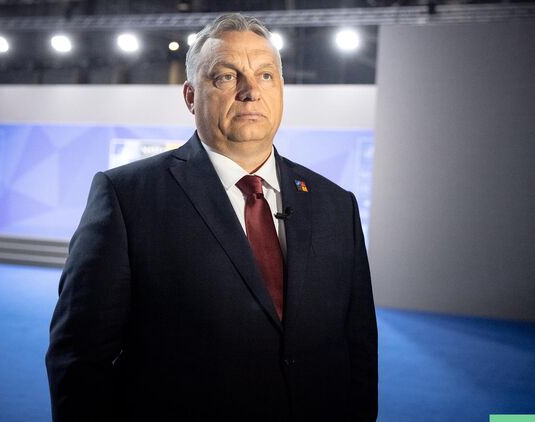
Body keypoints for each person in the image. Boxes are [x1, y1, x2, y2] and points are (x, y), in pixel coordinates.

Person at [46, 13, 377, 421]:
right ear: (190, 97)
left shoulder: (337, 205)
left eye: (266, 75)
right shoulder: (126, 197)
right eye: (226, 76)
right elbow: (80, 359)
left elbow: (359, 346)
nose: (250, 92)